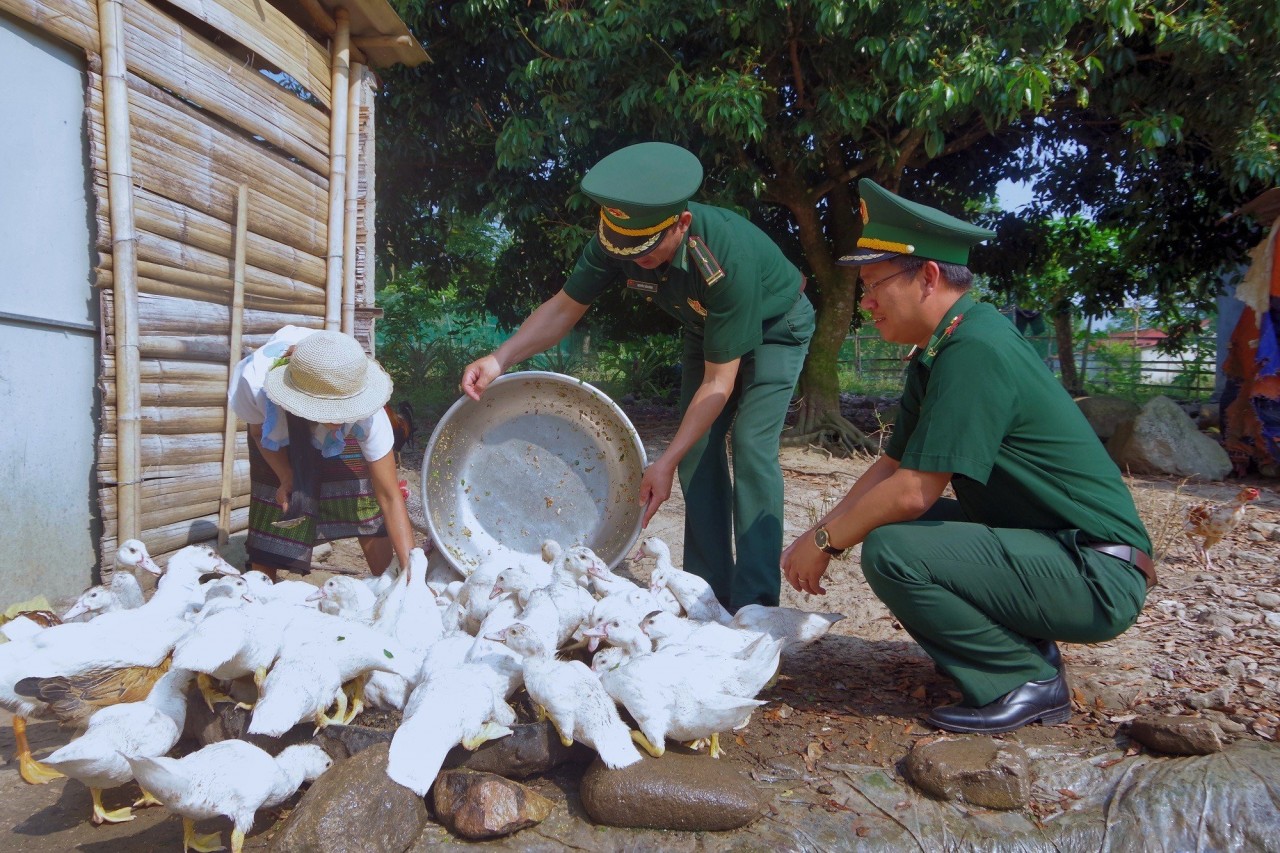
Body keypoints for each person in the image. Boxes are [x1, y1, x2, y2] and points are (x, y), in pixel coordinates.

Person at [781, 181, 1154, 735]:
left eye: (874, 285)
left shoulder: (977, 349)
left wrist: (826, 544)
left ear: (928, 277)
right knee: (903, 530)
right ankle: (1022, 649)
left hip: (1096, 572)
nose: (866, 303)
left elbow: (913, 492)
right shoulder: (942, 351)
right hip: (1059, 552)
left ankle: (1021, 679)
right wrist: (817, 530)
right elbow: (892, 466)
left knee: (895, 548)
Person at [461, 142, 814, 611]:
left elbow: (717, 384)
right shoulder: (618, 240)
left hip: (776, 328)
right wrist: (500, 357)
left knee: (751, 443)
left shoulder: (723, 258)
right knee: (698, 453)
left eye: (646, 249)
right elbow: (564, 308)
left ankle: (755, 604)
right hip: (704, 327)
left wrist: (662, 461)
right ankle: (707, 594)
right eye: (624, 247)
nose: (634, 257)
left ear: (681, 224)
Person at [229, 327, 414, 579]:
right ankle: (262, 596)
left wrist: (412, 578)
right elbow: (258, 432)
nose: (339, 420)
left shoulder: (368, 418)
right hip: (277, 426)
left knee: (363, 500)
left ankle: (387, 582)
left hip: (333, 405)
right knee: (272, 505)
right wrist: (285, 475)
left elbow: (390, 497)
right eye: (330, 410)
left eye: (345, 409)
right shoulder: (253, 383)